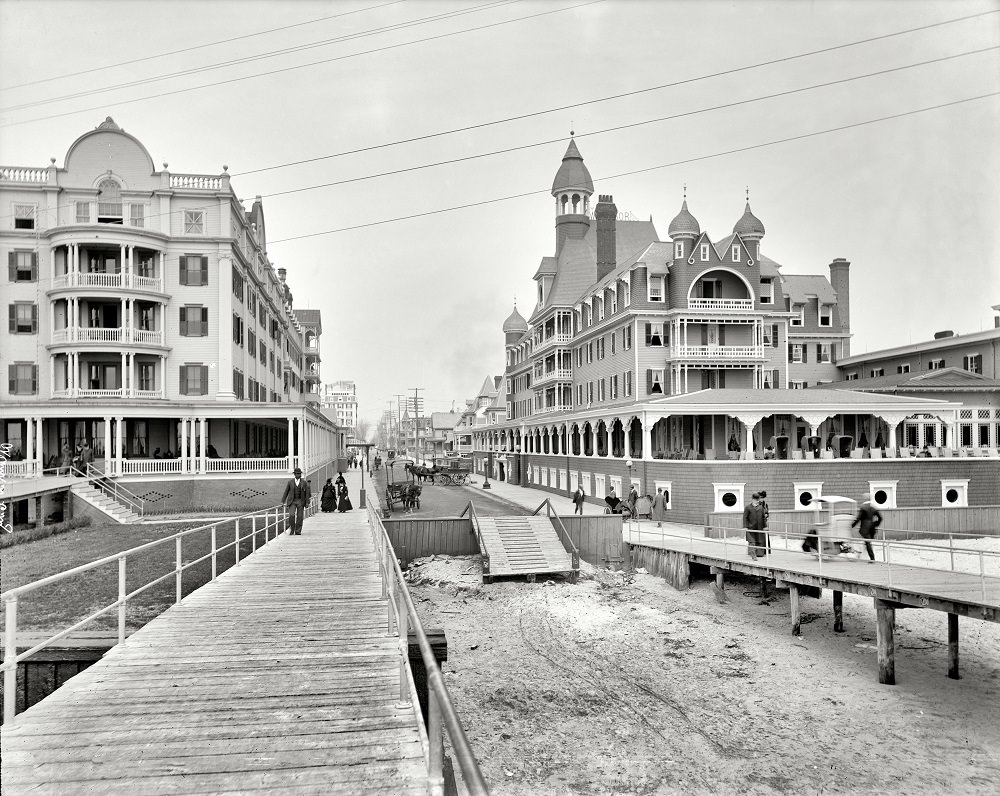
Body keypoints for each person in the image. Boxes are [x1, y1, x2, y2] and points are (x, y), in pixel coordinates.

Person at [851, 493, 882, 562]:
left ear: (865, 498)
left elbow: (858, 518)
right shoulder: (873, 508)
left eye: (863, 497)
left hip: (865, 528)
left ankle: (872, 558)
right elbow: (880, 518)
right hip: (872, 527)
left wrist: (852, 525)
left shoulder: (863, 508)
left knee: (867, 543)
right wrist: (875, 524)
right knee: (867, 542)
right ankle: (863, 555)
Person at [280, 467, 311, 535]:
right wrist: (282, 501)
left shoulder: (304, 482)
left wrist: (307, 502)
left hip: (300, 500)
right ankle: (292, 528)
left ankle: (298, 531)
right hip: (292, 501)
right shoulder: (290, 482)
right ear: (294, 474)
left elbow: (307, 493)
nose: (299, 475)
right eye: (297, 474)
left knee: (300, 516)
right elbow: (286, 492)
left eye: (300, 474)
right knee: (291, 515)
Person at [743, 492, 767, 560]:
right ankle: (753, 556)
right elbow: (745, 517)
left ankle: (759, 553)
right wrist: (745, 526)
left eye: (758, 500)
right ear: (752, 500)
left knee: (759, 540)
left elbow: (763, 518)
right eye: (756, 500)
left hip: (759, 527)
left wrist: (765, 526)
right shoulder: (748, 507)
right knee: (752, 542)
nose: (757, 501)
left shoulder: (761, 507)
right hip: (750, 527)